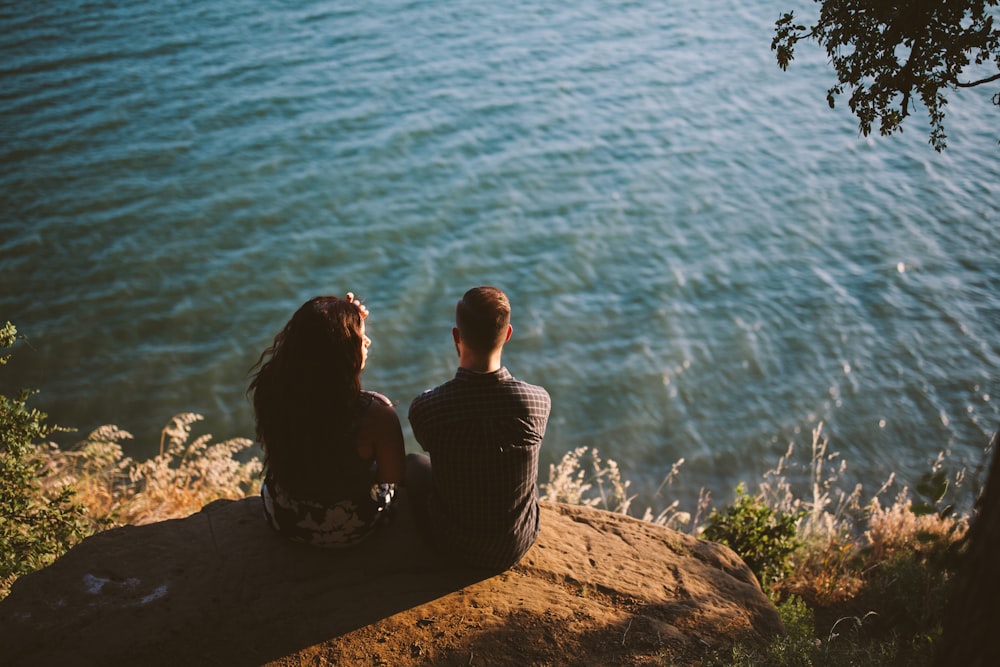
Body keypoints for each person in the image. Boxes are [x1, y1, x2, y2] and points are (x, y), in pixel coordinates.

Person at [407, 286, 551, 570]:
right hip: (514, 545)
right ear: (508, 334)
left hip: (451, 546)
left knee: (412, 463)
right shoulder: (537, 402)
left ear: (456, 337)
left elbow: (428, 443)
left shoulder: (427, 407)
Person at [248, 293, 405, 548]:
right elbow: (393, 474)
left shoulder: (271, 390)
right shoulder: (374, 412)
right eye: (359, 338)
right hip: (352, 528)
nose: (368, 341)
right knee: (417, 467)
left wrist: (342, 315)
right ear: (343, 356)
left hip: (285, 518)